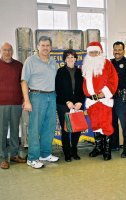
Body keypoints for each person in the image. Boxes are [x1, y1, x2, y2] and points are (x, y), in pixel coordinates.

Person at [21, 36, 59, 169]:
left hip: (51, 96)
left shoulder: (53, 62)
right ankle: (32, 158)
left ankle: (45, 154)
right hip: (36, 96)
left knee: (49, 127)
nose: (45, 48)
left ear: (51, 47)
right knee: (34, 128)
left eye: (48, 45)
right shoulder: (30, 61)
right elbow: (24, 81)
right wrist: (26, 100)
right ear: (38, 46)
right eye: (42, 45)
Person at [82, 41, 118, 161]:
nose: (93, 54)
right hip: (92, 102)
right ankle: (98, 148)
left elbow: (113, 79)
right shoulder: (86, 65)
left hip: (103, 100)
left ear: (100, 52)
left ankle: (107, 150)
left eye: (95, 52)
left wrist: (106, 92)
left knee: (105, 124)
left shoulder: (106, 63)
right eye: (91, 52)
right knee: (95, 124)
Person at [55, 49, 85, 162]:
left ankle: (74, 151)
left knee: (77, 129)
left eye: (72, 57)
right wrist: (68, 102)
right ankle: (67, 153)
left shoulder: (80, 72)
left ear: (76, 59)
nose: (70, 59)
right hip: (63, 104)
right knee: (66, 129)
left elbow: (83, 89)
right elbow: (58, 89)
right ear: (64, 59)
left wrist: (80, 102)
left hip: (78, 104)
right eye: (68, 57)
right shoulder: (60, 71)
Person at [0, 42, 26, 169]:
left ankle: (14, 155)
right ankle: (3, 158)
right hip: (1, 105)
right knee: (2, 131)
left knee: (15, 130)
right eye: (5, 50)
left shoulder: (19, 65)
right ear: (1, 51)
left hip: (16, 103)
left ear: (13, 51)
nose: (7, 52)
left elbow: (23, 83)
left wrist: (23, 99)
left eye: (9, 50)